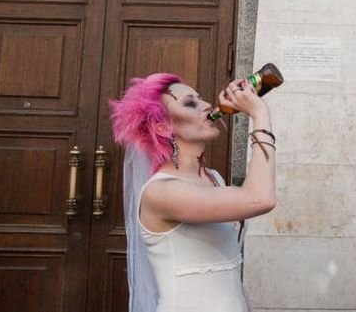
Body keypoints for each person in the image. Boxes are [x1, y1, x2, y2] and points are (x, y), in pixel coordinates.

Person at [110, 73, 276, 312]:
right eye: (190, 103)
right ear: (163, 127)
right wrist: (260, 114)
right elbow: (261, 198)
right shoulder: (161, 191)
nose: (207, 105)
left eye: (200, 99)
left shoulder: (214, 178)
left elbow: (228, 274)